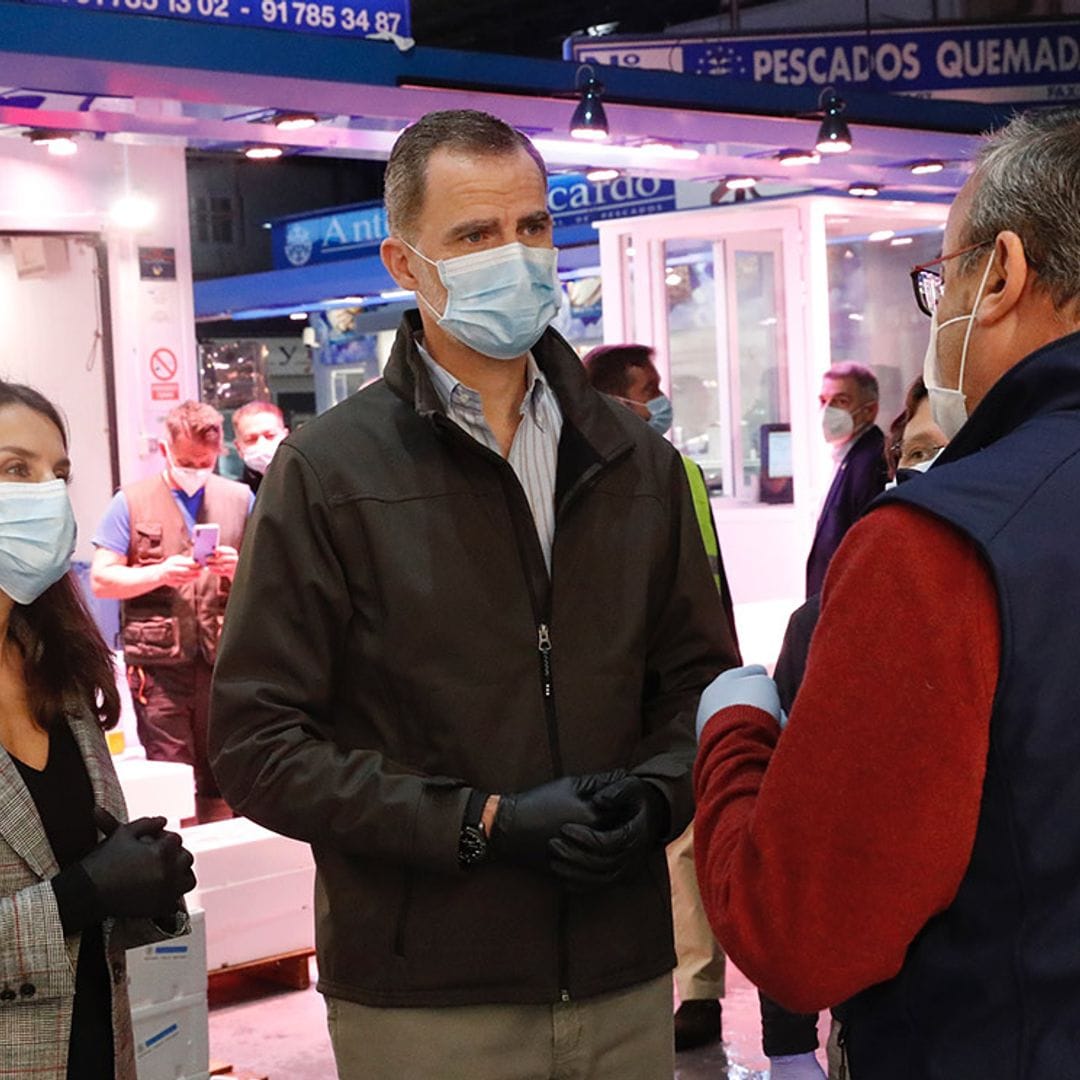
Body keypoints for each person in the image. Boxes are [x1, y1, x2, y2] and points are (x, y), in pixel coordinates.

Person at [210, 108, 737, 1080]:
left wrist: (659, 798)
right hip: (426, 999)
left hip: (624, 981)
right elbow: (258, 744)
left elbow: (702, 685)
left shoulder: (640, 464)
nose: (517, 257)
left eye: (532, 227)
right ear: (404, 263)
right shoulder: (326, 473)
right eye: (476, 235)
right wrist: (478, 824)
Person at [694, 105, 1080, 1078]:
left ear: (1002, 273)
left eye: (941, 278)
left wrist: (733, 730)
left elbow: (805, 934)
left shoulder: (936, 547)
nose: (939, 307)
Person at [0, 380, 196, 1079]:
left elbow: (92, 888)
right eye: (14, 469)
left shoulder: (58, 666)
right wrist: (83, 892)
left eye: (59, 474)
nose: (47, 495)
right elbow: (74, 894)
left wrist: (149, 886)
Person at [759, 376, 950, 1080]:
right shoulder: (826, 624)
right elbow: (798, 825)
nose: (940, 471)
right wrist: (787, 1038)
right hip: (880, 1016)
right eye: (923, 451)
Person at [583, 341, 737, 1052]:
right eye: (652, 387)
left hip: (679, 679)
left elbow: (707, 576)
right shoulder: (582, 467)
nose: (661, 399)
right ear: (619, 396)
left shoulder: (678, 471)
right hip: (618, 683)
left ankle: (698, 988)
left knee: (684, 837)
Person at [90, 400, 252, 823]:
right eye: (186, 461)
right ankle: (182, 877)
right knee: (176, 781)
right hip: (160, 673)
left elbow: (274, 579)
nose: (196, 468)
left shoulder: (240, 498)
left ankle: (225, 878)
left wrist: (242, 568)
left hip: (224, 666)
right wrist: (160, 573)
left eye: (205, 461)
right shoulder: (130, 501)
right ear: (165, 450)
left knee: (228, 775)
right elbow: (102, 580)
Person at [804, 362, 886, 597]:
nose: (827, 410)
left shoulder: (873, 463)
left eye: (841, 401)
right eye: (823, 400)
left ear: (869, 410)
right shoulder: (847, 458)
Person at [232, 399, 289, 495]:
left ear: (286, 436)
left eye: (270, 435)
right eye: (251, 439)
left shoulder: (308, 485)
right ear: (239, 448)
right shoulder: (234, 497)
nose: (262, 444)